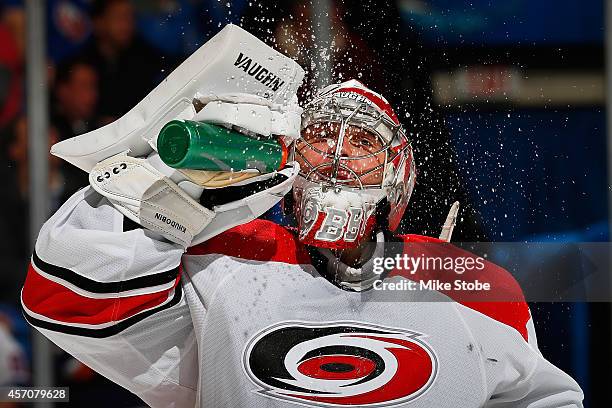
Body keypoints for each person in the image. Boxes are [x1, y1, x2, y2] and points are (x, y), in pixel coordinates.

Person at [21, 75, 583, 407]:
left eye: (362, 141)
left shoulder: (468, 280)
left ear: (400, 175)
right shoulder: (222, 258)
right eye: (319, 138)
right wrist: (175, 186)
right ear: (290, 165)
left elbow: (547, 398)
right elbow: (64, 297)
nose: (337, 155)